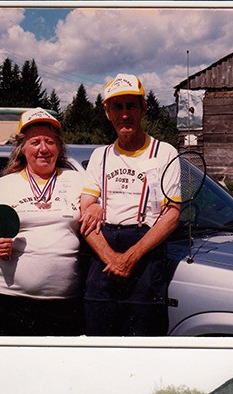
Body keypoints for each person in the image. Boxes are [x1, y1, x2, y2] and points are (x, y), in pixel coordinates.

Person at [80, 74, 181, 336]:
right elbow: (85, 211)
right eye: (118, 107)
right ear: (107, 112)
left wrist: (130, 258)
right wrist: (111, 257)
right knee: (100, 341)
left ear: (143, 109)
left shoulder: (165, 153)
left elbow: (171, 215)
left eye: (131, 106)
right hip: (104, 253)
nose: (125, 115)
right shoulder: (99, 156)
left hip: (145, 252)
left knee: (144, 342)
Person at [0, 108, 86, 336]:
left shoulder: (77, 180)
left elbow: (93, 214)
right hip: (8, 298)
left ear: (59, 147)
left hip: (64, 301)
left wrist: (96, 208)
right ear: (22, 148)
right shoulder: (5, 184)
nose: (43, 149)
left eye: (49, 142)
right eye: (35, 142)